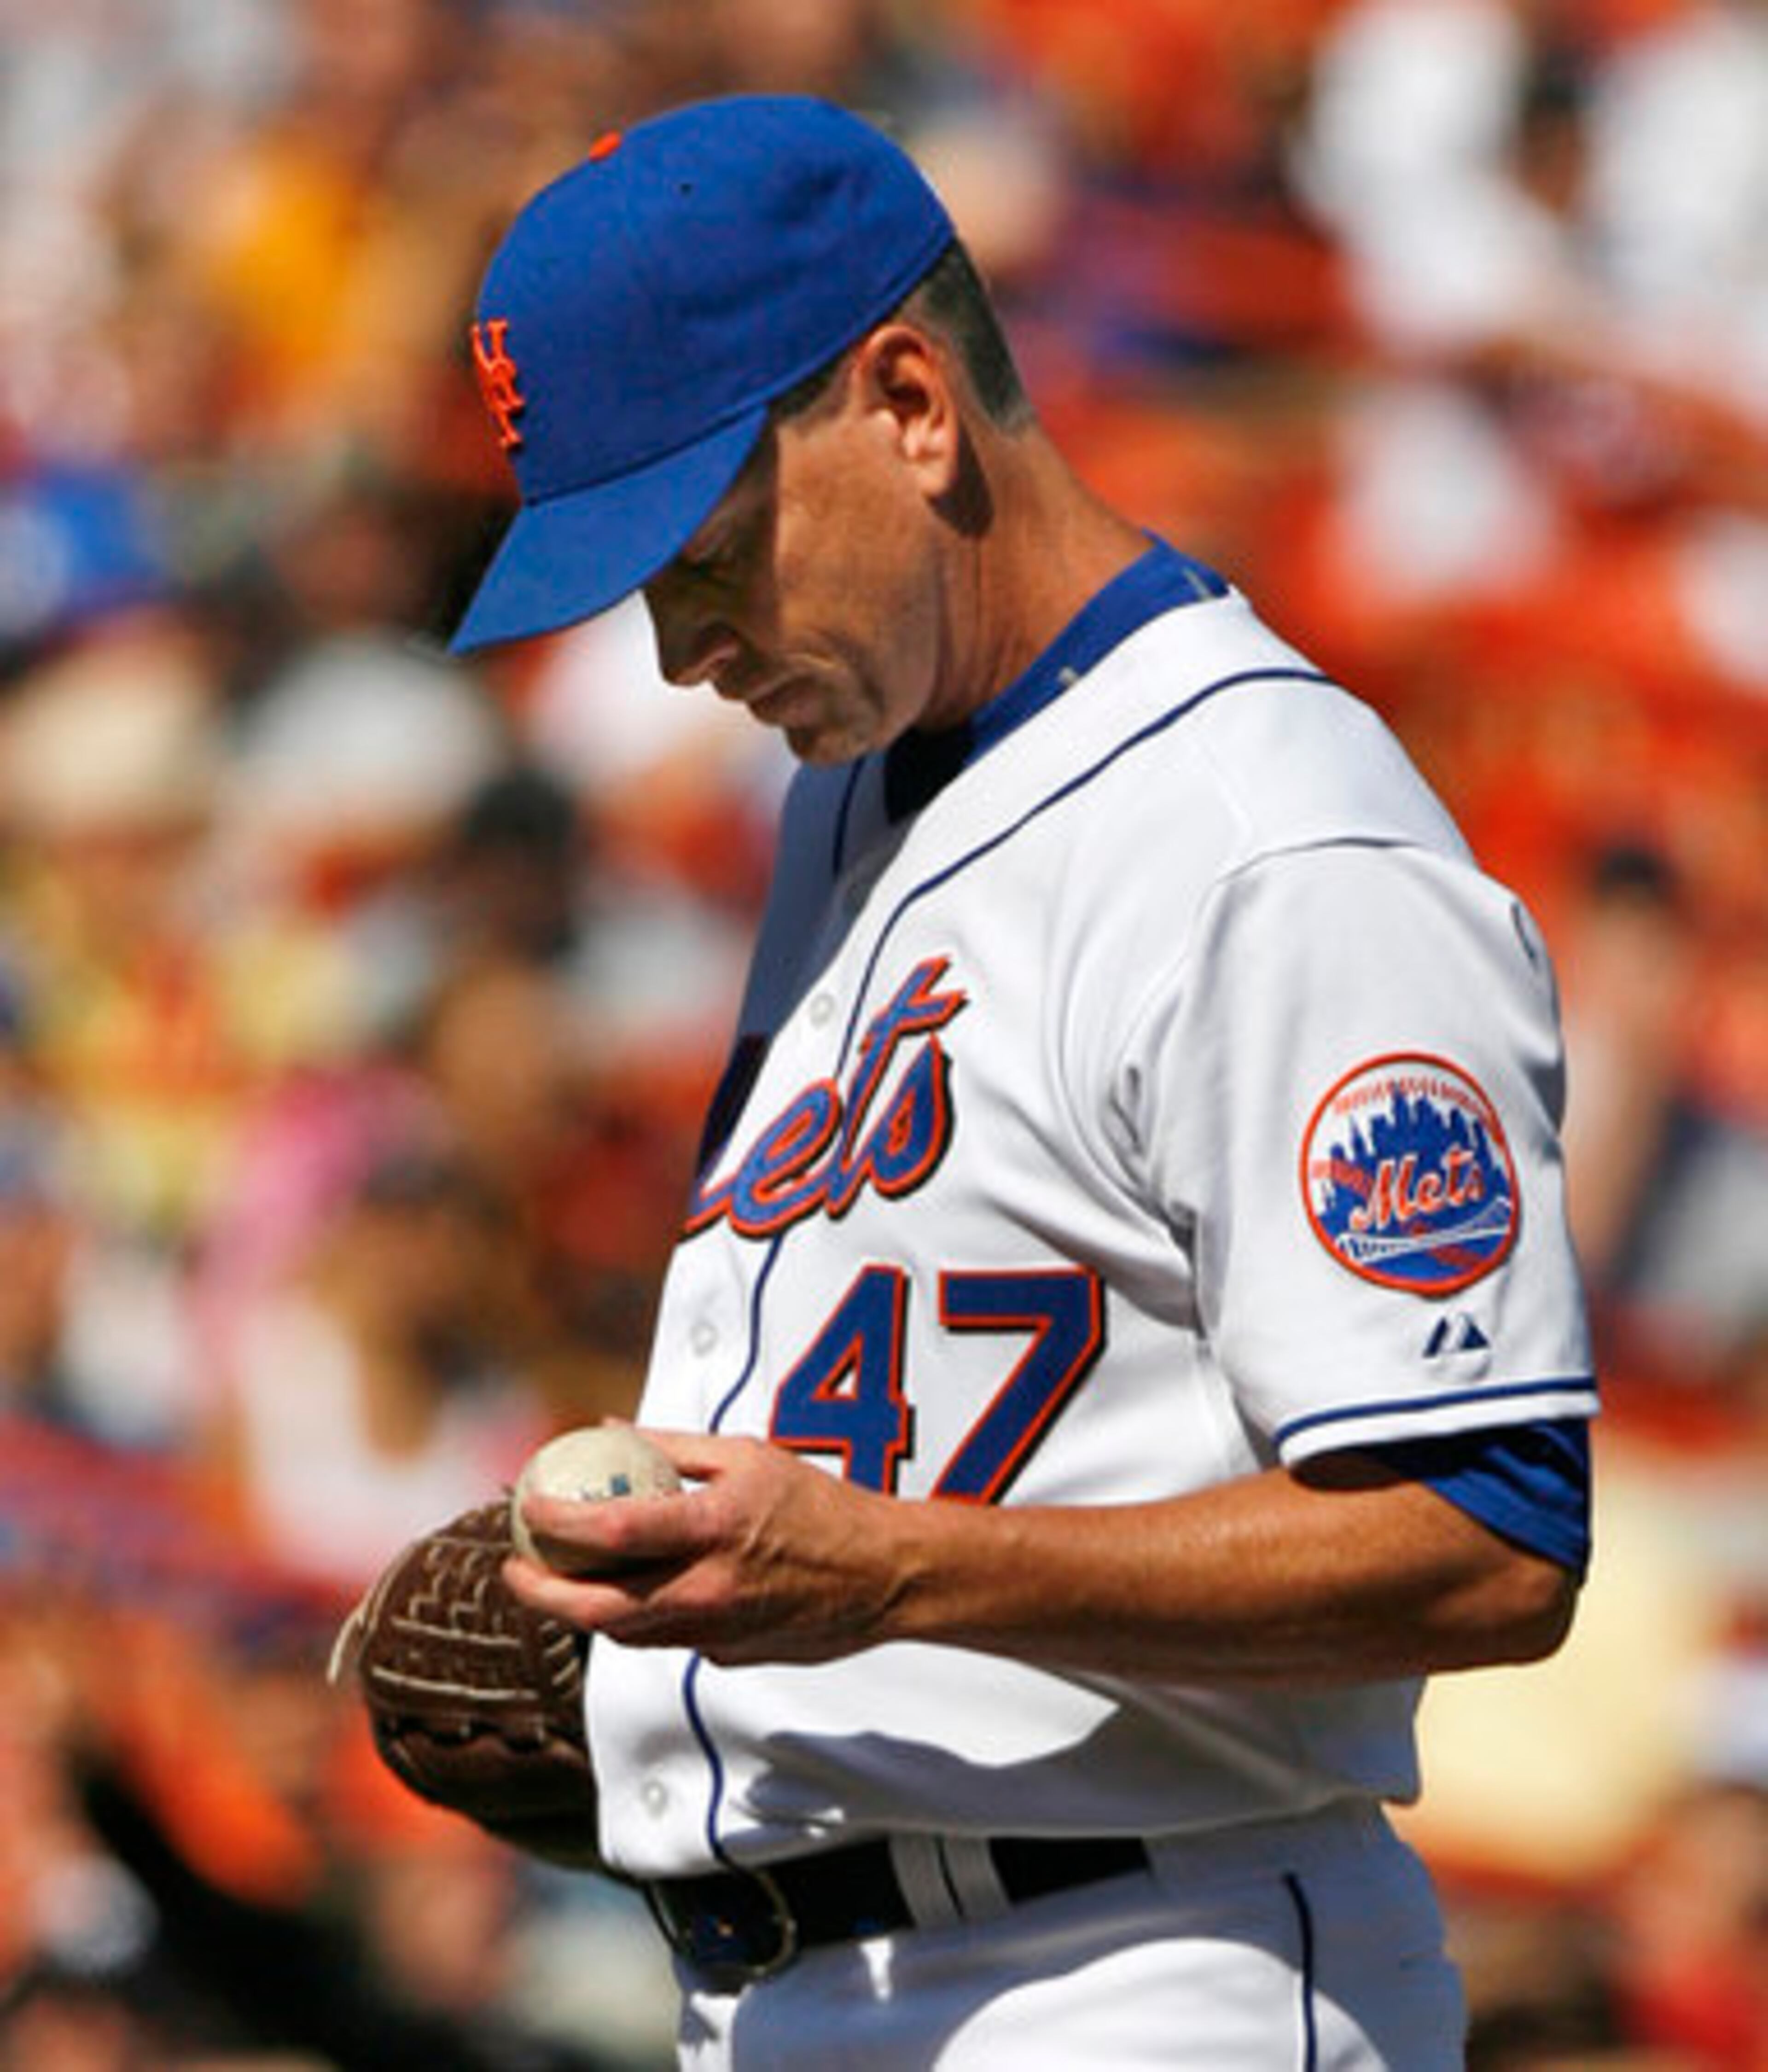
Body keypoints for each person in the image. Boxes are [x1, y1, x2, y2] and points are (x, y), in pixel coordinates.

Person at [449, 94, 1598, 2070]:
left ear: (909, 403)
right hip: (821, 1986)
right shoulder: (857, 794)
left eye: (706, 552)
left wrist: (886, 1571)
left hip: (1141, 1977)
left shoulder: (1266, 839)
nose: (671, 649)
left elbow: (1490, 1532)